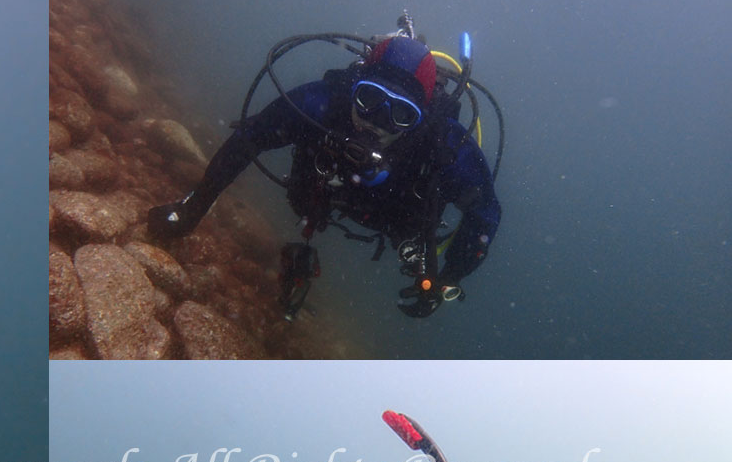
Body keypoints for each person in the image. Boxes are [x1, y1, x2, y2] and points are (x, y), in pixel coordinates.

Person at [148, 24, 501, 319]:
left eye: (401, 115)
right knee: (304, 203)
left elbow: (485, 214)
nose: (377, 123)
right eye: (369, 100)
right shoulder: (324, 103)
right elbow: (249, 139)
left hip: (397, 217)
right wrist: (193, 208)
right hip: (322, 190)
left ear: (420, 120)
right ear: (354, 87)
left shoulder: (443, 147)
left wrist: (445, 279)